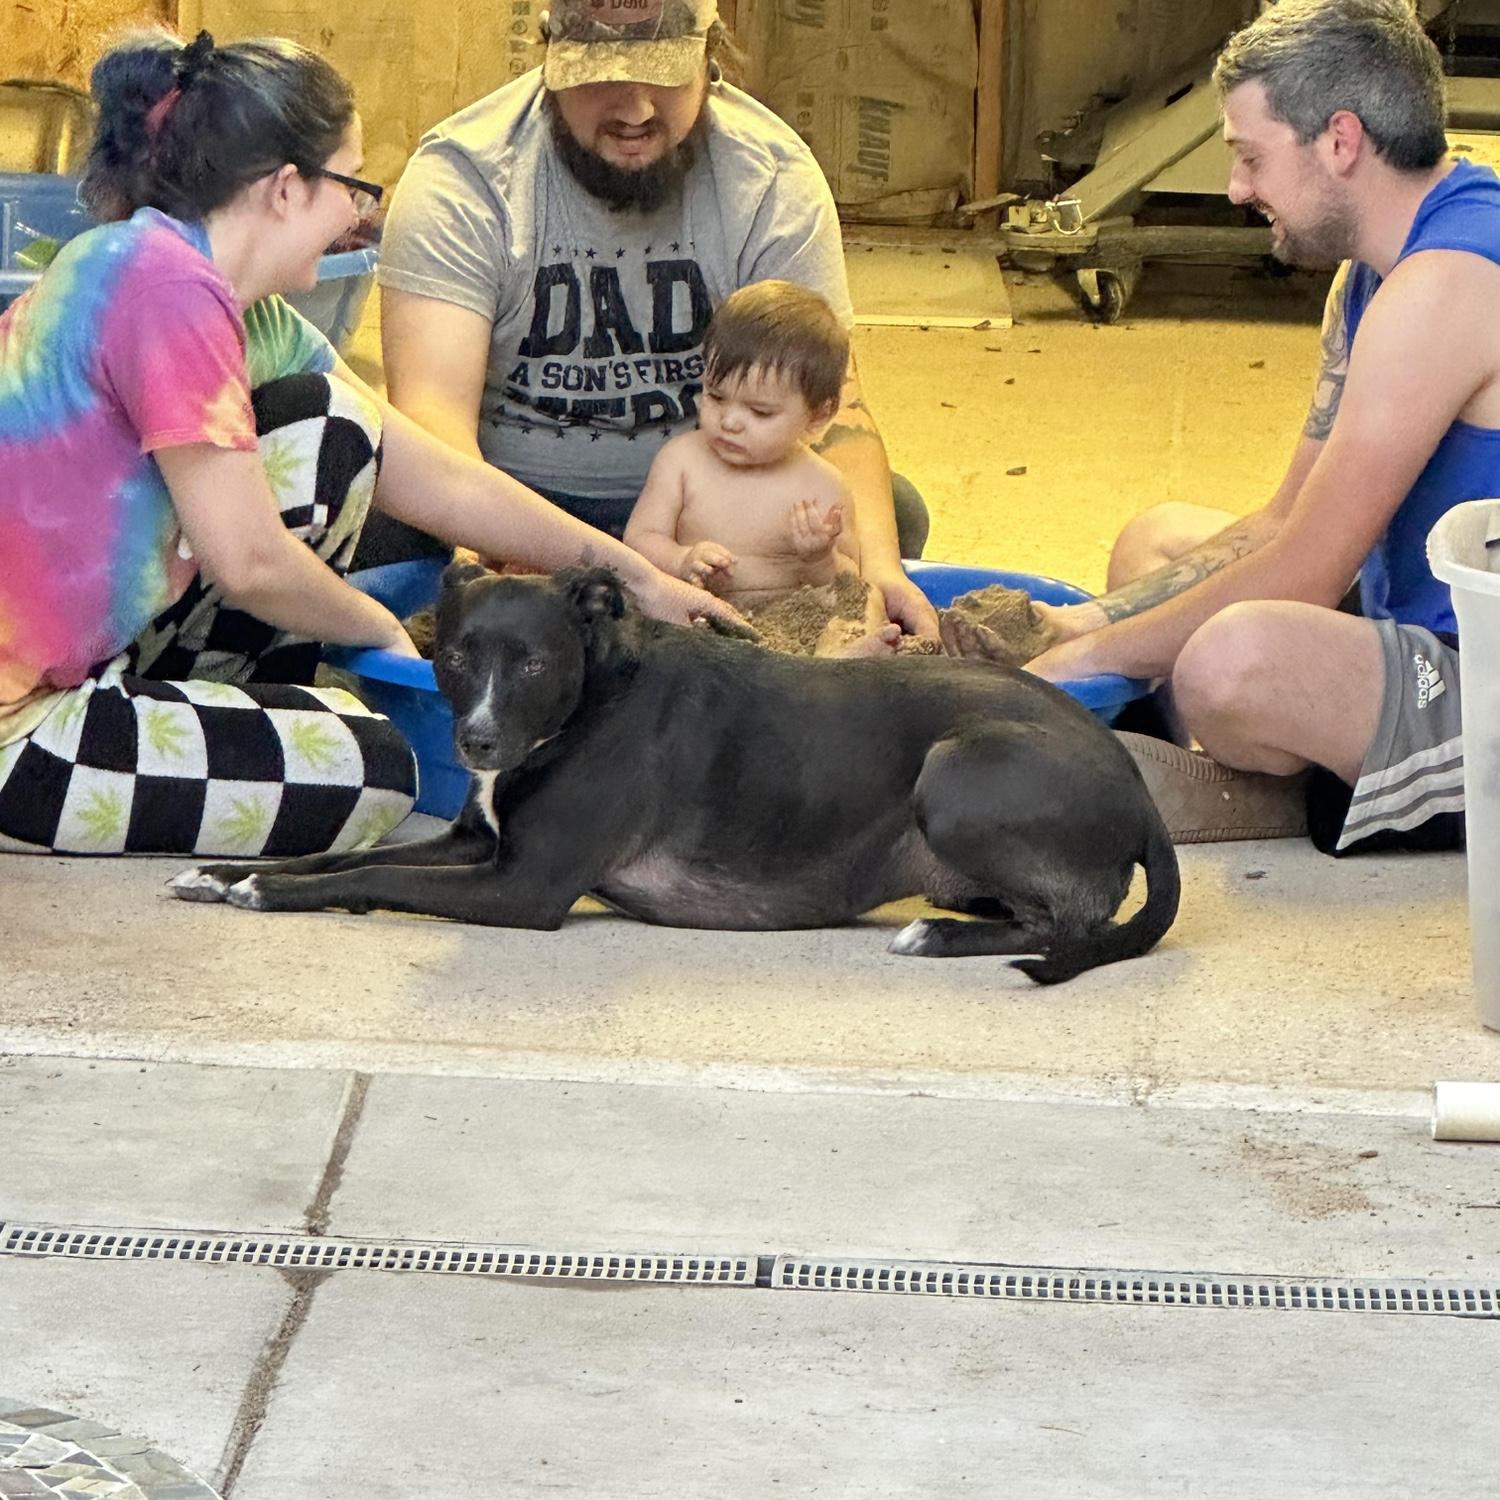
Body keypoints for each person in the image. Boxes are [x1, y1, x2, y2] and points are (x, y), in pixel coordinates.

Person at [0, 28, 743, 859]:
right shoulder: (166, 290)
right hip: (20, 726)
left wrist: (635, 576)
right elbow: (248, 562)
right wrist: (379, 629)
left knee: (337, 425)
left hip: (81, 659)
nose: (359, 214)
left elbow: (430, 472)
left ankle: (184, 714)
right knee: (377, 768)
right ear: (287, 189)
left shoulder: (223, 298)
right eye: (352, 186)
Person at [1018, 0, 1482, 856]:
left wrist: (1085, 659)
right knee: (1154, 543)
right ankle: (1289, 768)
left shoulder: (1449, 284)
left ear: (1340, 141)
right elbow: (1285, 518)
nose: (1237, 189)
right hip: (1428, 617)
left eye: (1250, 156)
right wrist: (1091, 623)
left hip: (1479, 664)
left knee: (1230, 662)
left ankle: (1285, 793)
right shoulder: (1376, 269)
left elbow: (1307, 569)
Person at [372, 0, 940, 641]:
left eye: (665, 75)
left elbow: (836, 406)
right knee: (372, 507)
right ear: (550, 58)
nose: (636, 110)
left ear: (710, 57)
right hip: (518, 504)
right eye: (603, 77)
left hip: (708, 503)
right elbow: (433, 418)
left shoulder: (770, 177)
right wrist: (493, 557)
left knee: (888, 513)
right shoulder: (464, 178)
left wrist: (878, 569)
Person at [624, 280, 908, 656]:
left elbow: (846, 578)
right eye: (716, 396)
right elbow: (639, 540)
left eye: (759, 412)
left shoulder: (823, 484)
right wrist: (681, 560)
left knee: (865, 596)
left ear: (818, 415)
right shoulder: (681, 462)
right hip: (703, 616)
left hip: (795, 619)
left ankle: (839, 656)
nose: (730, 421)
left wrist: (819, 558)